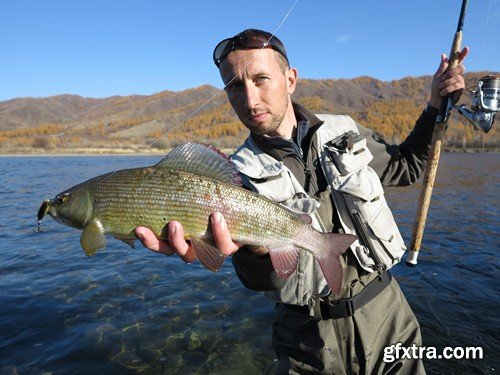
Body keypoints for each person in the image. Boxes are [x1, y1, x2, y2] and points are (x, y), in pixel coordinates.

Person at [135, 29, 468, 374]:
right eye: (235, 86)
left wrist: (435, 107)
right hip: (306, 342)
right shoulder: (232, 178)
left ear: (290, 79)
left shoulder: (345, 132)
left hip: (388, 320)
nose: (250, 100)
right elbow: (261, 280)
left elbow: (406, 167)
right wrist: (255, 250)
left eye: (261, 79)